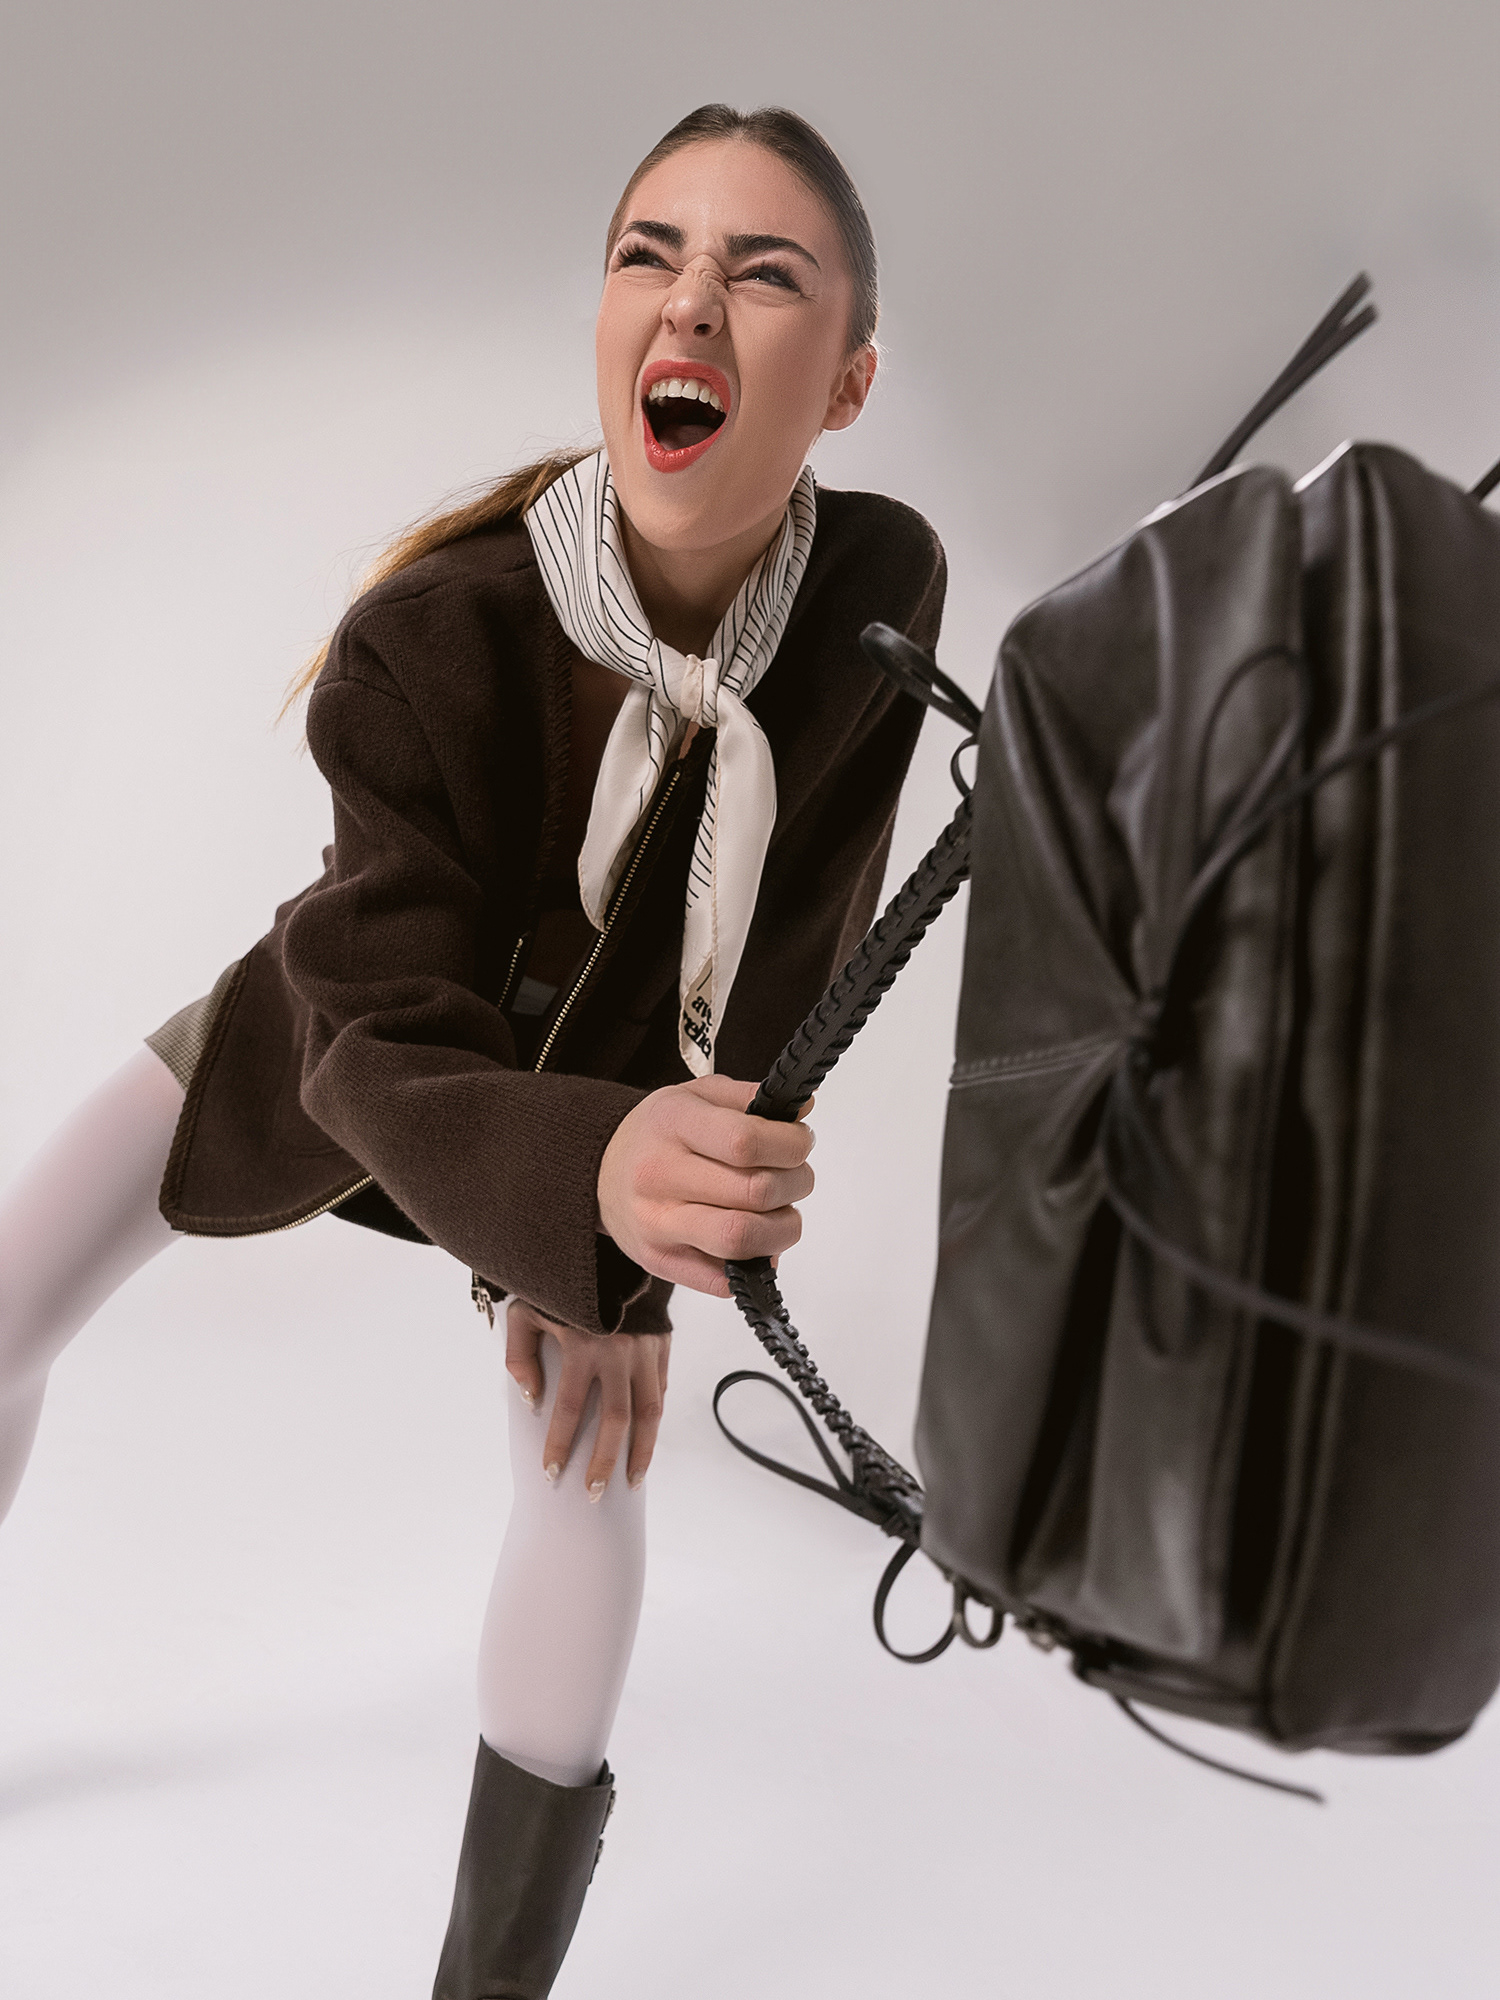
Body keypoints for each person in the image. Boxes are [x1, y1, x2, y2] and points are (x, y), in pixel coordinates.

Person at [0, 103, 945, 1997]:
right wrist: (571, 1191)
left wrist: (623, 1258)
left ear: (846, 382)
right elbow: (370, 1023)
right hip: (349, 1052)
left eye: (763, 275)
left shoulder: (875, 593)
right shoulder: (433, 633)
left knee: (588, 1478)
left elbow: (802, 942)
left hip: (608, 1119)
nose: (692, 302)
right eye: (648, 255)